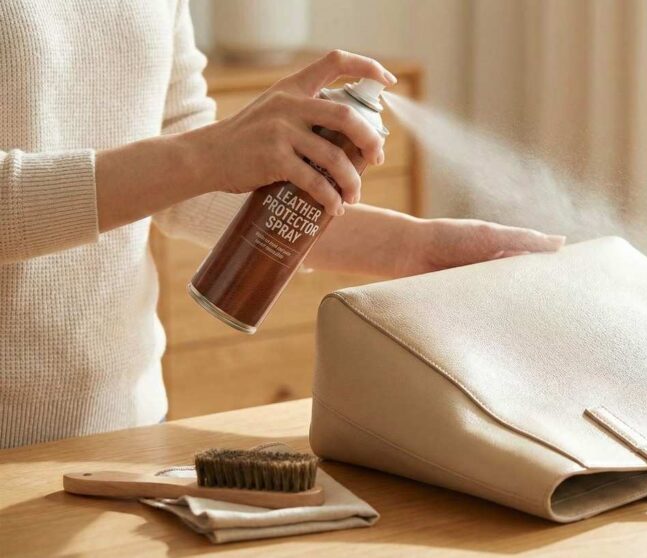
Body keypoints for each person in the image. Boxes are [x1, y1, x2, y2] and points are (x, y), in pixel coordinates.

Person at [0, 1, 564, 448]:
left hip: (125, 428)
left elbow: (181, 176)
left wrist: (416, 249)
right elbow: (188, 161)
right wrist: (209, 154)